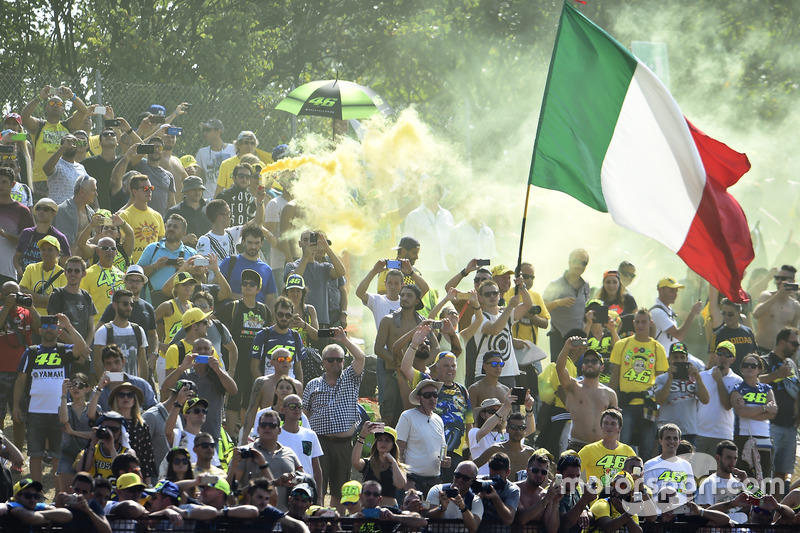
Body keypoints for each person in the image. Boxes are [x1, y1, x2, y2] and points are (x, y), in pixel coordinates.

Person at [12, 313, 87, 481]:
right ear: (40, 330)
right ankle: (36, 490)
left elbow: (81, 347)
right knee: (35, 453)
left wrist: (68, 324)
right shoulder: (31, 352)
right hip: (35, 411)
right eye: (45, 327)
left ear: (58, 332)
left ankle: (59, 492)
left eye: (53, 327)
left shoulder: (64, 350)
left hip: (60, 412)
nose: (48, 330)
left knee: (58, 455)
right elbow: (20, 381)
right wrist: (16, 405)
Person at [303, 328, 366, 512]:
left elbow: (361, 357)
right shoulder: (312, 384)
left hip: (343, 444)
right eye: (331, 359)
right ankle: (317, 521)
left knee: (340, 489)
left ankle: (335, 523)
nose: (335, 363)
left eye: (339, 359)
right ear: (323, 362)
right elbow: (305, 415)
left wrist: (344, 340)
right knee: (318, 486)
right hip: (319, 443)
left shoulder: (350, 377)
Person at [375, 283, 438, 426]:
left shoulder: (423, 322)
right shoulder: (388, 320)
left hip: (416, 375)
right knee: (388, 414)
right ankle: (385, 444)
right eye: (402, 295)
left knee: (415, 410)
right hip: (391, 372)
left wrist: (423, 364)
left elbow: (436, 348)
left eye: (409, 295)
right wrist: (401, 364)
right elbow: (378, 348)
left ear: (417, 301)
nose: (404, 298)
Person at [609, 308, 668, 458]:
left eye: (644, 322)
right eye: (638, 322)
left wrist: (660, 407)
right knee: (623, 447)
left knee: (646, 449)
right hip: (626, 404)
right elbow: (614, 377)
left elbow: (660, 381)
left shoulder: (657, 348)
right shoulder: (621, 345)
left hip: (648, 405)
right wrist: (610, 403)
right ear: (633, 323)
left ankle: (643, 480)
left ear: (650, 323)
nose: (640, 325)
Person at [462, 276, 532, 388]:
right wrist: (510, 307)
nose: (492, 296)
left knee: (510, 405)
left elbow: (528, 305)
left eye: (495, 293)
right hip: (485, 374)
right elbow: (494, 329)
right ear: (480, 298)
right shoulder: (478, 317)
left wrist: (522, 287)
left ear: (499, 295)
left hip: (508, 373)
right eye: (487, 294)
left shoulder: (505, 313)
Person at [161, 338, 238, 439]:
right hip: (187, 435)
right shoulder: (185, 373)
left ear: (212, 352)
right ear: (193, 352)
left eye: (206, 349)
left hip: (211, 435)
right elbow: (165, 387)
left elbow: (233, 391)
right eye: (199, 349)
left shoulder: (218, 374)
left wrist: (218, 370)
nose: (202, 352)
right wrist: (181, 368)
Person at [20, 85, 88, 199]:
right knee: (41, 214)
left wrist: (71, 96)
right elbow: (24, 117)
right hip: (41, 178)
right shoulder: (39, 126)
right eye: (52, 103)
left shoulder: (68, 126)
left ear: (63, 109)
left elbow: (83, 111)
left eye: (59, 104)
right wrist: (39, 97)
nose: (55, 105)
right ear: (46, 108)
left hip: (63, 177)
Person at [231, 408, 303, 511]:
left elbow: (304, 481)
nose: (267, 428)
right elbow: (232, 488)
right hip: (254, 516)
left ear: (279, 430)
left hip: (284, 516)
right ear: (258, 429)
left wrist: (292, 479)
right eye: (263, 425)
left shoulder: (289, 452)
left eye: (272, 426)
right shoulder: (246, 452)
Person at [91, 381, 157, 484]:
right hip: (104, 471)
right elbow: (90, 415)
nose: (126, 398)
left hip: (132, 475)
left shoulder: (142, 426)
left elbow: (146, 458)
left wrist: (148, 485)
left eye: (130, 395)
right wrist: (98, 389)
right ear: (116, 399)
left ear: (135, 401)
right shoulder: (106, 420)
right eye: (121, 395)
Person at [557, 341, 618, 451]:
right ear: (582, 366)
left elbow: (615, 425)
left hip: (601, 447)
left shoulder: (610, 394)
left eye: (594, 361)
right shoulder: (573, 386)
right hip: (577, 445)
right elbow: (560, 368)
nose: (589, 364)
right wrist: (566, 347)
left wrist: (615, 448)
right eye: (586, 361)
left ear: (602, 367)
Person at [97, 265, 157, 371]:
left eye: (137, 281)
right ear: (125, 282)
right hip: (115, 366)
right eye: (131, 280)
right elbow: (99, 330)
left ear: (143, 283)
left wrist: (154, 353)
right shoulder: (114, 306)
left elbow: (153, 334)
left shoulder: (148, 308)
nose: (134, 284)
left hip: (140, 364)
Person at [759, 327, 800, 482]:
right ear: (782, 342)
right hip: (770, 425)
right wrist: (776, 374)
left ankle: (777, 506)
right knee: (766, 472)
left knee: (782, 475)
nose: (797, 347)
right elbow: (754, 381)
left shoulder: (792, 364)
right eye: (794, 344)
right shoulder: (765, 360)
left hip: (790, 426)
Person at [397, 379, 450, 496]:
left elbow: (442, 450)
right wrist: (406, 480)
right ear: (419, 398)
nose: (432, 399)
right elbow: (398, 450)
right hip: (413, 479)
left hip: (435, 480)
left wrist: (446, 462)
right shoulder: (407, 416)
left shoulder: (438, 419)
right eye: (427, 395)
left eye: (435, 395)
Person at [0, 282, 37, 449]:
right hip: (1, 371)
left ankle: (17, 456)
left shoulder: (26, 313)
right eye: (10, 294)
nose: (15, 297)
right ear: (2, 295)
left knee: (19, 416)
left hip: (21, 372)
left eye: (17, 293)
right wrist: (6, 308)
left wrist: (32, 307)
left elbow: (40, 328)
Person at [284, 230, 347, 328]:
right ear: (300, 244)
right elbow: (293, 279)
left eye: (312, 240)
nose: (309, 243)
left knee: (323, 343)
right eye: (305, 240)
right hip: (298, 321)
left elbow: (341, 272)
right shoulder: (291, 266)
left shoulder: (324, 267)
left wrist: (327, 249)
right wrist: (306, 257)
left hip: (322, 322)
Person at [653, 342, 710, 444]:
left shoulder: (694, 379)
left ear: (687, 359)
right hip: (667, 432)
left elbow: (705, 400)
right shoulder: (661, 379)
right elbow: (659, 400)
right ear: (669, 359)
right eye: (675, 357)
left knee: (688, 460)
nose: (679, 360)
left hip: (689, 431)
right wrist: (670, 378)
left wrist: (698, 377)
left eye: (682, 357)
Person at [694, 341, 744, 457]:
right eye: (720, 353)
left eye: (727, 355)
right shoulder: (702, 376)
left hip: (723, 435)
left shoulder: (737, 381)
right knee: (698, 473)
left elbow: (727, 405)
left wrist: (719, 381)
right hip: (700, 433)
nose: (723, 357)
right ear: (715, 355)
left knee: (719, 473)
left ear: (733, 359)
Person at [731, 353, 775, 478]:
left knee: (765, 478)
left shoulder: (767, 389)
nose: (749, 367)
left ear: (759, 370)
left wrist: (748, 411)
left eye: (753, 365)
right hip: (743, 437)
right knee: (743, 478)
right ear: (741, 369)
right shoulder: (737, 389)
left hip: (764, 438)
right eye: (746, 365)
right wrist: (764, 408)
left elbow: (772, 413)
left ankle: (763, 498)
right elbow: (741, 412)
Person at [138, 213, 198, 306]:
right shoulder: (152, 248)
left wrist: (187, 269)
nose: (171, 229)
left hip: (182, 304)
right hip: (153, 303)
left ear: (184, 232)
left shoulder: (191, 253)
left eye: (175, 227)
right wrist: (155, 266)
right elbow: (138, 275)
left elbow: (202, 278)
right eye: (169, 226)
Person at [543, 249, 592, 361]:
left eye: (583, 263)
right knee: (558, 373)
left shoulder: (586, 285)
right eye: (576, 261)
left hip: (580, 337)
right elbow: (542, 308)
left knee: (578, 373)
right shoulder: (555, 284)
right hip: (559, 335)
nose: (579, 265)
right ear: (569, 262)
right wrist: (558, 302)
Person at [219, 221, 278, 305]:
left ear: (261, 243)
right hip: (232, 315)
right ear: (243, 242)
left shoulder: (267, 269)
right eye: (250, 243)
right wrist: (238, 297)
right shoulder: (229, 262)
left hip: (258, 317)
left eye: (256, 243)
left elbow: (270, 301)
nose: (253, 247)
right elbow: (215, 289)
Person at [92, 289, 148, 377]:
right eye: (125, 304)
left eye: (131, 304)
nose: (129, 307)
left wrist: (142, 387)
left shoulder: (139, 330)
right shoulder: (103, 331)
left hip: (133, 386)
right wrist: (107, 387)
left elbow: (143, 363)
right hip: (112, 386)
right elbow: (98, 365)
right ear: (115, 305)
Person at [402, 182, 453, 275]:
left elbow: (451, 242)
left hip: (445, 268)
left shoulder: (447, 215)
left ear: (439, 195)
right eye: (427, 191)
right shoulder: (414, 216)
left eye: (434, 191)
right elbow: (406, 245)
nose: (431, 194)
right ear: (423, 193)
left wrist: (452, 266)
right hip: (423, 268)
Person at [48, 256, 96, 353]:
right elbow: (54, 326)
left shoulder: (87, 297)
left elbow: (91, 328)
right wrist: (79, 347)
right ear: (65, 273)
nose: (73, 274)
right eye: (69, 270)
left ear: (84, 273)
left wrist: (85, 348)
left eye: (77, 271)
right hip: (63, 352)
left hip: (83, 353)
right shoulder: (57, 295)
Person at [250, 296, 304, 381]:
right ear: (275, 314)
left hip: (289, 387)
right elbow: (254, 367)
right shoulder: (263, 335)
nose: (284, 318)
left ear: (292, 316)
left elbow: (298, 370)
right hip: (268, 385)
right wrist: (264, 386)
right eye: (280, 314)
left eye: (288, 315)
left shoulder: (296, 336)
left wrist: (298, 392)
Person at [352, 422, 406, 507]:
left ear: (393, 445)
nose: (383, 443)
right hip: (369, 509)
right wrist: (362, 436)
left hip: (390, 511)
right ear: (376, 443)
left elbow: (400, 485)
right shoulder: (368, 464)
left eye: (387, 440)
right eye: (380, 440)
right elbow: (355, 462)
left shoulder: (397, 467)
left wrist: (393, 462)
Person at [578, 408, 635, 487]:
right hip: (596, 498)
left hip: (620, 497)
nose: (609, 426)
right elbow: (571, 472)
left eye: (613, 424)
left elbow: (637, 477)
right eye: (606, 423)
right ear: (601, 426)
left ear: (620, 428)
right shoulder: (589, 450)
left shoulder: (628, 451)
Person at [56, 374, 93, 493]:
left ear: (87, 388)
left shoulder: (94, 408)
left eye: (80, 385)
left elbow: (95, 435)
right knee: (66, 494)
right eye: (73, 385)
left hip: (89, 455)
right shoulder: (64, 406)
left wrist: (73, 432)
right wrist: (63, 393)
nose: (76, 388)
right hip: (68, 454)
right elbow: (63, 420)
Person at [696, 440, 749, 523]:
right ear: (718, 458)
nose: (732, 462)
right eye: (728, 457)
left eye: (735, 458)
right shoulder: (708, 484)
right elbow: (705, 515)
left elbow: (761, 502)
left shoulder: (741, 482)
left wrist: (747, 483)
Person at [92, 345, 157, 412]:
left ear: (123, 362)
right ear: (104, 365)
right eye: (109, 363)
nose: (114, 367)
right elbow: (90, 415)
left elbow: (154, 409)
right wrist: (99, 388)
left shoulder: (140, 384)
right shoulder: (100, 391)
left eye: (117, 362)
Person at [118, 173, 166, 263]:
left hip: (153, 267)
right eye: (145, 189)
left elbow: (161, 244)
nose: (149, 192)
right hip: (133, 268)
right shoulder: (125, 216)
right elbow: (121, 245)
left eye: (151, 188)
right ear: (134, 192)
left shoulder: (157, 216)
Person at [707, 287, 756, 373]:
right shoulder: (717, 335)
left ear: (739, 313)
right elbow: (711, 364)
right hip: (728, 379)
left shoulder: (748, 332)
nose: (726, 317)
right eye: (723, 313)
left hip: (747, 378)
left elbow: (755, 356)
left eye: (730, 314)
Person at [473, 413, 534, 480]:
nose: (518, 431)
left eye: (522, 428)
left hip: (522, 490)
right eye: (514, 427)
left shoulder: (530, 453)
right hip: (498, 489)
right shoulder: (496, 449)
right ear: (507, 429)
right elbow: (471, 466)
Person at [426, 460, 483, 532]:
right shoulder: (437, 490)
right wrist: (442, 508)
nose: (460, 479)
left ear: (473, 480)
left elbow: (473, 528)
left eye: (465, 478)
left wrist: (463, 508)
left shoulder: (475, 500)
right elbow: (428, 516)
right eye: (458, 475)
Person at [752, 266, 800, 352]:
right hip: (760, 349)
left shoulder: (795, 306)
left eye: (783, 279)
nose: (779, 281)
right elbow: (756, 314)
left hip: (780, 354)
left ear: (792, 282)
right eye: (777, 278)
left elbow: (794, 334)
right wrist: (778, 295)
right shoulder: (766, 296)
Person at [650, 276, 703, 351]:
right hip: (661, 358)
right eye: (671, 291)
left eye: (676, 291)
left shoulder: (668, 310)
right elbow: (679, 335)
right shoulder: (657, 312)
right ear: (660, 290)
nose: (675, 295)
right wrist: (692, 313)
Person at [0, 167, 34, 285]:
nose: (0, 185)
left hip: (9, 272)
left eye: (4, 182)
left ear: (12, 184)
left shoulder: (22, 211)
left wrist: (4, 234)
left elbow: (27, 241)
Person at [643, 424, 695, 500]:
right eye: (668, 438)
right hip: (659, 511)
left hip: (682, 511)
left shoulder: (686, 465)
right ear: (660, 441)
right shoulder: (650, 465)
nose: (672, 441)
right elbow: (647, 496)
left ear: (679, 441)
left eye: (675, 438)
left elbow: (689, 495)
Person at [19, 235, 66, 317]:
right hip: (29, 318)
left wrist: (34, 301)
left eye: (50, 249)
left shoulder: (63, 274)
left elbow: (60, 302)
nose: (46, 252)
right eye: (43, 249)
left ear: (57, 252)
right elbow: (21, 290)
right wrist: (46, 301)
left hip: (51, 320)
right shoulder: (31, 268)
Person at [80, 236, 125, 322]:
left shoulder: (122, 275)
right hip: (96, 326)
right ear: (97, 251)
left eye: (112, 248)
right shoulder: (87, 274)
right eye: (105, 248)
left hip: (119, 326)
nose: (109, 251)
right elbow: (81, 303)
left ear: (116, 252)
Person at [75, 411, 130, 479]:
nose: (110, 432)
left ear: (121, 432)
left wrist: (111, 449)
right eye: (106, 428)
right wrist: (92, 445)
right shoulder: (90, 451)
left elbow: (125, 475)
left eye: (114, 429)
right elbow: (81, 471)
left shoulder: (128, 453)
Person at [514, 452, 560, 528]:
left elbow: (552, 530)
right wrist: (545, 500)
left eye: (543, 472)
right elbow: (522, 519)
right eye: (535, 470)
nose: (539, 475)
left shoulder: (546, 495)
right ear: (527, 471)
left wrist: (556, 502)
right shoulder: (514, 489)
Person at [5, 478, 73, 529]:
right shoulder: (13, 506)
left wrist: (39, 514)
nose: (33, 499)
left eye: (36, 496)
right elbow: (31, 518)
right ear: (17, 497)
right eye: (28, 496)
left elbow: (67, 515)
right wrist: (50, 518)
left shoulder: (37, 506)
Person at [42, 133, 90, 205]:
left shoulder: (81, 167)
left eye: (73, 142)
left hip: (75, 211)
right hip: (57, 211)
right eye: (67, 142)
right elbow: (46, 169)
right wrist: (63, 148)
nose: (70, 145)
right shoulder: (56, 163)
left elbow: (89, 186)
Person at [553, 453, 594, 533]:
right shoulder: (554, 494)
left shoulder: (575, 492)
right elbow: (565, 525)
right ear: (559, 475)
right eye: (570, 476)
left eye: (577, 476)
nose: (575, 480)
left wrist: (583, 511)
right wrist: (584, 500)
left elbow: (590, 515)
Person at [195, 119, 236, 200]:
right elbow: (196, 177)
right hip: (208, 198)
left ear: (218, 131)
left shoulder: (233, 149)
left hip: (230, 197)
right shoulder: (202, 152)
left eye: (208, 130)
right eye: (204, 130)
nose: (205, 133)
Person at [164, 175, 210, 245]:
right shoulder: (174, 212)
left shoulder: (209, 209)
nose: (197, 192)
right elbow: (164, 239)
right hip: (183, 254)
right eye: (193, 189)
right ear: (185, 191)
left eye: (199, 189)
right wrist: (182, 240)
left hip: (207, 253)